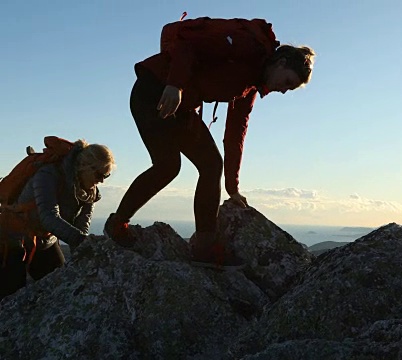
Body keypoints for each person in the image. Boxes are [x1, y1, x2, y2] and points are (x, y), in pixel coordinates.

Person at [103, 17, 315, 270]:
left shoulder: (250, 87)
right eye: (288, 82)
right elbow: (188, 45)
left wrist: (232, 187)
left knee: (212, 165)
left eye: (289, 90)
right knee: (168, 166)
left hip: (180, 106)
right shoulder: (245, 46)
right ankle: (117, 224)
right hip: (153, 91)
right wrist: (175, 84)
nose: (283, 91)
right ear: (281, 63)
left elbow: (236, 134)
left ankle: (204, 248)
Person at [0, 140, 115, 299]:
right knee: (9, 295)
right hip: (12, 237)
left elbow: (82, 225)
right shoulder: (48, 174)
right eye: (99, 175)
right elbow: (48, 216)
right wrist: (83, 242)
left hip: (45, 240)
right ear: (84, 167)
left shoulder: (89, 192)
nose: (102, 180)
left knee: (59, 290)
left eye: (106, 175)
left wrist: (84, 253)